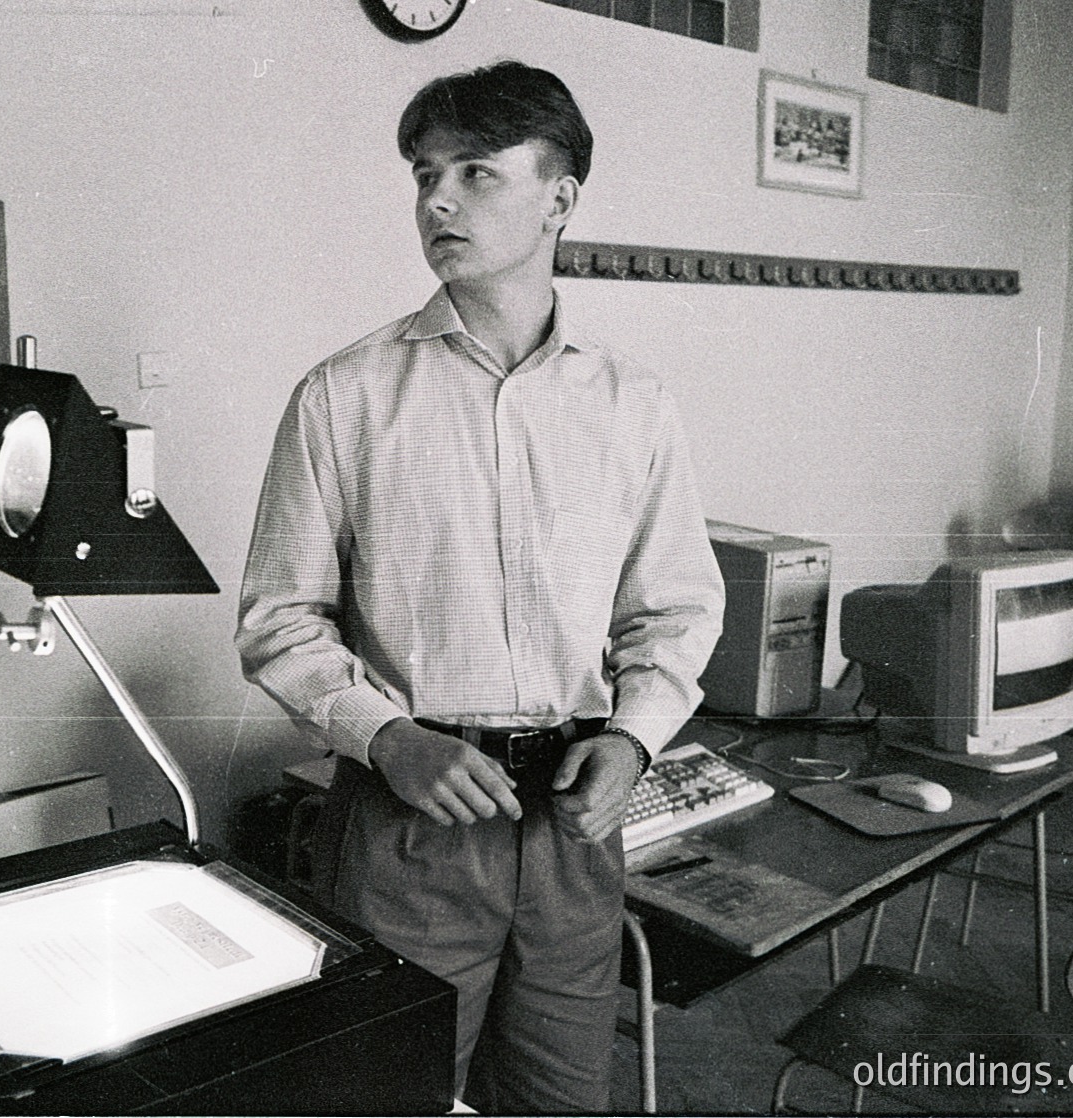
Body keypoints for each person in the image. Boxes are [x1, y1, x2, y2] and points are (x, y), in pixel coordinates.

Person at [236, 60, 724, 1113]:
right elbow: (279, 616)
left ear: (561, 196)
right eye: (423, 175)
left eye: (474, 172)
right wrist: (391, 738)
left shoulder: (633, 404)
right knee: (385, 1096)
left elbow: (675, 606)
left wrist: (634, 736)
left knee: (555, 1100)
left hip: (570, 830)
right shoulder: (344, 395)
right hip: (408, 824)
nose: (437, 201)